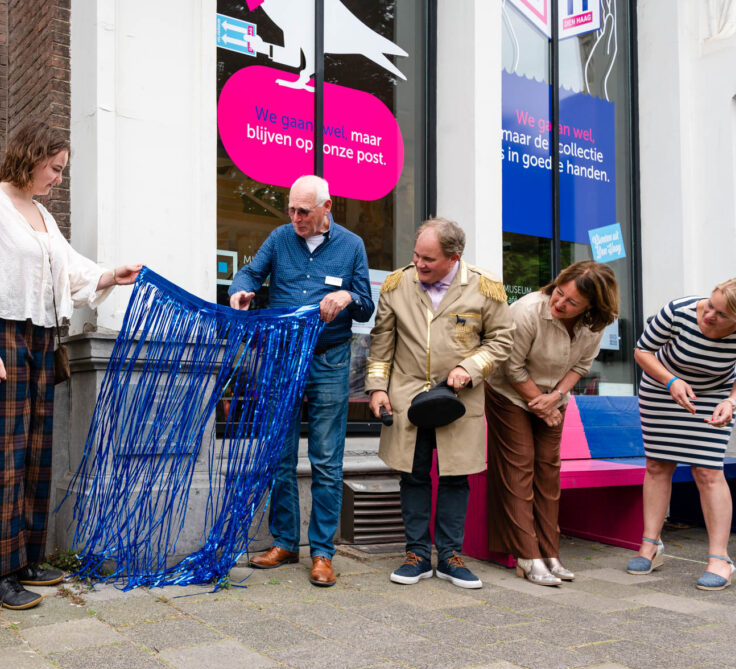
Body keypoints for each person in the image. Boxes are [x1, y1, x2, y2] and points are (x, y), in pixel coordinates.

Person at [0, 122, 141, 609]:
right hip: (1, 336)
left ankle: (26, 557)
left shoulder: (44, 217)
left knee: (35, 454)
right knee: (0, 457)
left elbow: (68, 269)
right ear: (31, 157)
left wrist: (110, 274)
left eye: (62, 170)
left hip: (42, 339)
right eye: (54, 168)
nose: (57, 178)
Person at [229, 174, 374, 587]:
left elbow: (364, 306)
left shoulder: (352, 246)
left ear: (327, 208)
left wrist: (347, 296)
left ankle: (323, 553)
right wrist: (240, 292)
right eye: (291, 209)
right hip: (280, 359)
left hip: (328, 360)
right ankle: (285, 542)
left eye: (304, 211)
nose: (295, 218)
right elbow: (250, 275)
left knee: (326, 461)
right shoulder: (279, 238)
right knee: (278, 455)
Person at [367, 218, 514, 589]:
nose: (419, 264)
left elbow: (502, 341)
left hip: (458, 401)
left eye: (428, 259)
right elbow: (382, 340)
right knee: (412, 475)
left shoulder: (485, 287)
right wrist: (377, 388)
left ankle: (450, 557)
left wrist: (470, 367)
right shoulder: (398, 284)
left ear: (454, 258)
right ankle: (416, 554)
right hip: (406, 397)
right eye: (416, 255)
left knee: (454, 477)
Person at [484, 261, 619, 586]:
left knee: (548, 472)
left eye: (572, 302)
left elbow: (582, 365)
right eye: (559, 293)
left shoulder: (594, 325)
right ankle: (527, 556)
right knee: (520, 468)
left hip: (552, 396)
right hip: (510, 394)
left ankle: (550, 553)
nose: (560, 303)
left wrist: (556, 396)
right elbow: (511, 368)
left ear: (592, 307)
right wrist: (542, 406)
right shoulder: (529, 310)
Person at [626, 276, 736, 590]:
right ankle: (650, 545)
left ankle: (719, 559)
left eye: (722, 314)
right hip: (662, 388)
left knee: (708, 471)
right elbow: (642, 352)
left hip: (713, 397)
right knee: (658, 465)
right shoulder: (678, 310)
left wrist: (730, 402)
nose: (709, 315)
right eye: (710, 305)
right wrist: (671, 381)